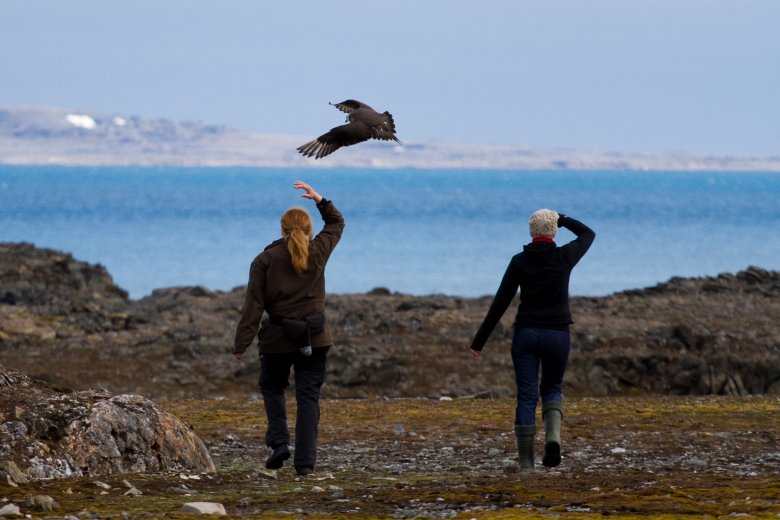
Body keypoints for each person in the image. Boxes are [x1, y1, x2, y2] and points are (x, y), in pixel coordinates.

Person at [233, 181, 345, 476]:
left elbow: (254, 305)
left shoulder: (264, 260)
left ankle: (279, 444)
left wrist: (241, 343)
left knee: (272, 388)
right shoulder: (318, 250)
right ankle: (305, 465)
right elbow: (336, 222)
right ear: (308, 230)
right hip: (316, 336)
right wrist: (320, 199)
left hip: (277, 339)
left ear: (282, 229)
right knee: (308, 397)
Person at [469, 209, 595, 471]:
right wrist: (563, 217)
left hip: (526, 334)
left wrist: (479, 341)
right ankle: (553, 439)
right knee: (552, 389)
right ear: (554, 232)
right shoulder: (564, 257)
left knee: (527, 397)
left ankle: (526, 465)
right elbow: (588, 233)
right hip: (558, 335)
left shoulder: (519, 261)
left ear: (531, 232)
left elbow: (500, 302)